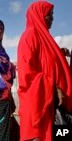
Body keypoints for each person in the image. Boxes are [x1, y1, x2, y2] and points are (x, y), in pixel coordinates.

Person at [17, 1, 72, 141]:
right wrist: (53, 86)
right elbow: (26, 74)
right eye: (49, 15)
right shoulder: (29, 36)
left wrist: (59, 53)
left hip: (54, 106)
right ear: (39, 15)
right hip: (38, 106)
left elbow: (46, 60)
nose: (52, 18)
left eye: (52, 15)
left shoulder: (46, 39)